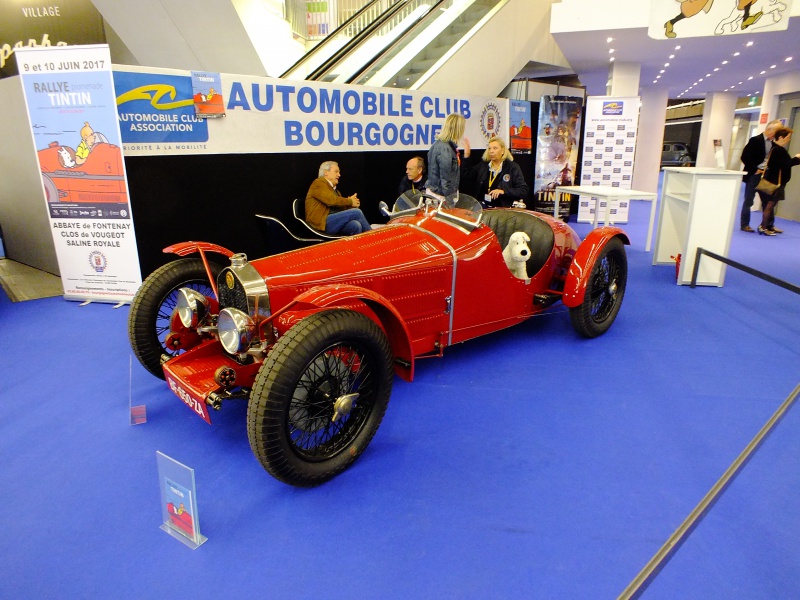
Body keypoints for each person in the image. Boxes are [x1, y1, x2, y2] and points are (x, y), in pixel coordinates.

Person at [305, 161, 371, 235]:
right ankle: (374, 238)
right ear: (326, 172)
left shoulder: (335, 190)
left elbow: (339, 209)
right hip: (320, 224)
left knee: (355, 225)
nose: (339, 175)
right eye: (336, 172)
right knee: (357, 212)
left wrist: (350, 205)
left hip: (331, 223)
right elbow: (331, 201)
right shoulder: (318, 183)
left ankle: (356, 246)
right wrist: (350, 201)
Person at [462, 136, 529, 208]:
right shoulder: (483, 165)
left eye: (495, 148)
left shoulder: (512, 167)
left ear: (503, 151)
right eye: (489, 148)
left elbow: (523, 190)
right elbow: (466, 175)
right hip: (483, 208)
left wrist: (503, 191)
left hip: (502, 210)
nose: (491, 151)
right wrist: (466, 156)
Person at [757, 127, 800, 236]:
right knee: (770, 205)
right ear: (781, 137)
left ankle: (768, 226)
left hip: (776, 181)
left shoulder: (777, 149)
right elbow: (783, 165)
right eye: (788, 137)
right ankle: (763, 226)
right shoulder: (777, 150)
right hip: (775, 182)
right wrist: (796, 159)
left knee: (771, 205)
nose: (789, 139)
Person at [740, 120, 782, 232]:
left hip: (766, 176)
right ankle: (744, 225)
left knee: (768, 201)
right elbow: (745, 157)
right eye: (776, 131)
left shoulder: (774, 143)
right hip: (754, 175)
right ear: (769, 129)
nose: (777, 134)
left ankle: (769, 225)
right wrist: (755, 169)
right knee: (749, 200)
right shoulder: (755, 140)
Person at [427, 113, 470, 207]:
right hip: (441, 198)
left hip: (440, 196)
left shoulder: (442, 145)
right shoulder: (444, 149)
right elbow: (445, 180)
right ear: (457, 129)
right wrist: (450, 204)